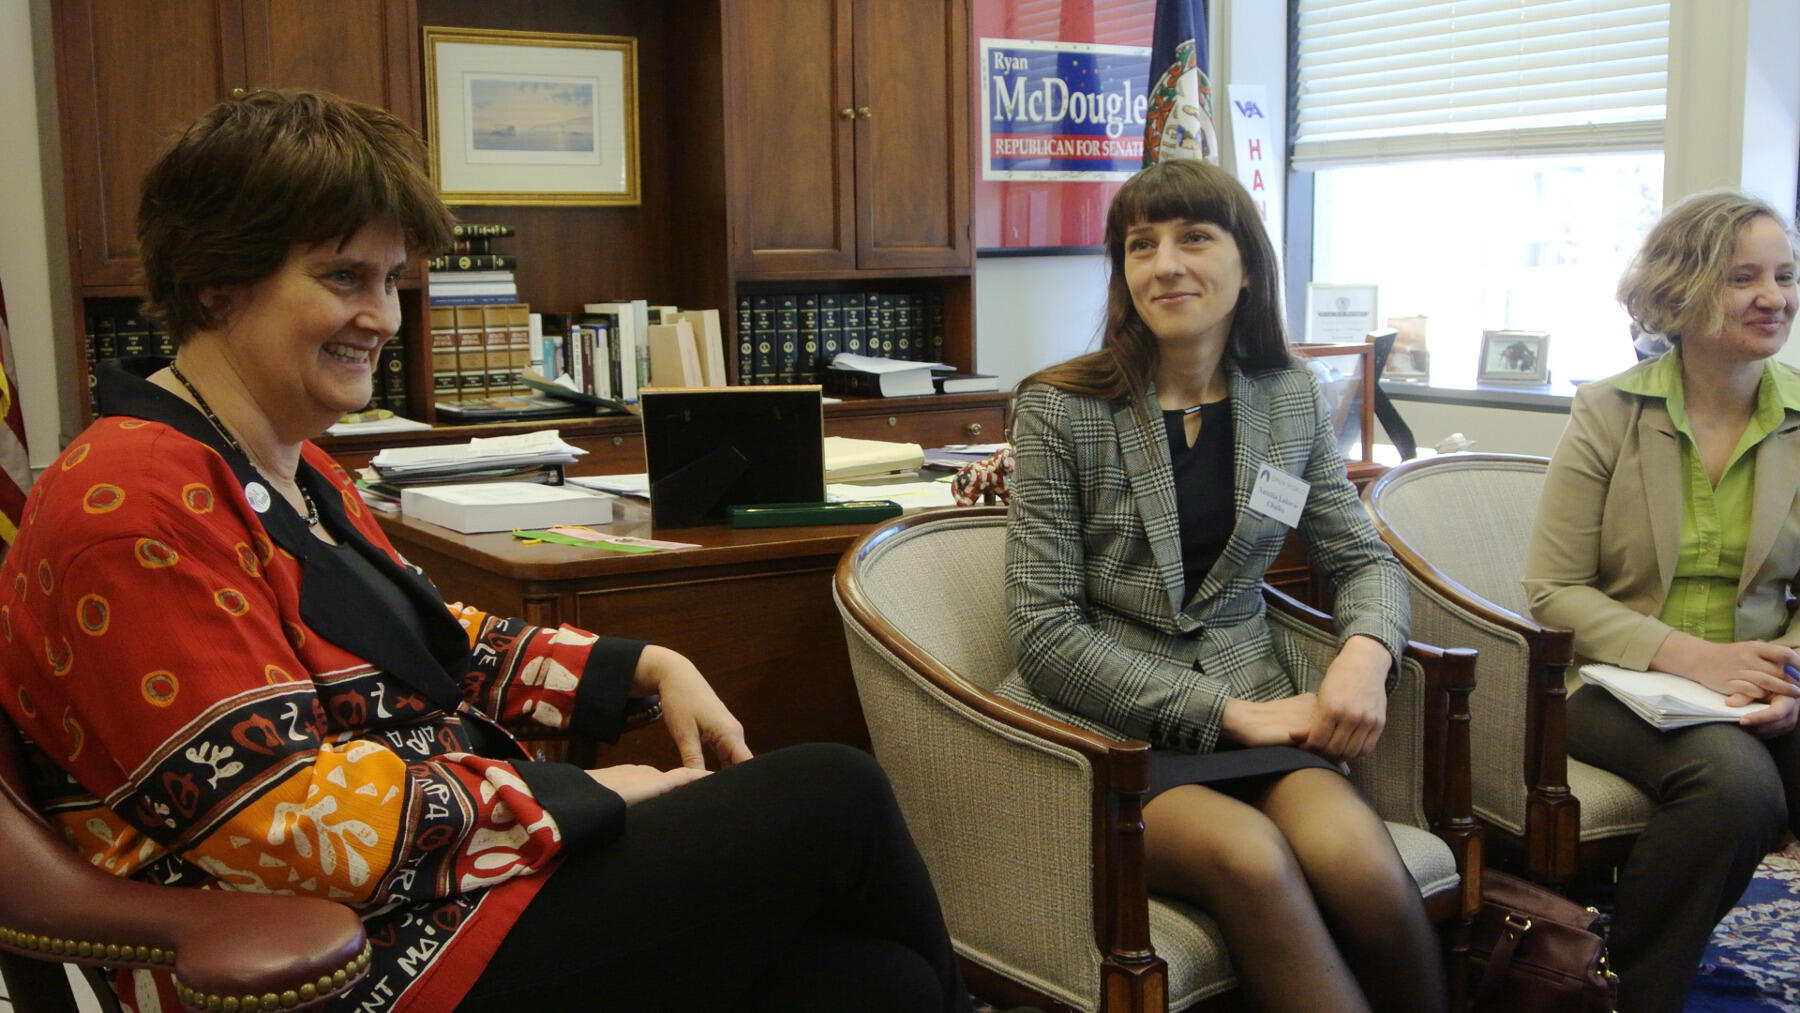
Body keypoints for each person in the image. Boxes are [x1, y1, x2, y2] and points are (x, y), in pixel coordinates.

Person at [0, 88, 972, 1013]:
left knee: (871, 979)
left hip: (440, 892)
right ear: (219, 278)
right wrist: (577, 793)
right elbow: (277, 823)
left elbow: (429, 637)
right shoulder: (130, 495)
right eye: (343, 277)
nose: (382, 316)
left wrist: (639, 663)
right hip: (340, 957)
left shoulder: (294, 468)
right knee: (834, 793)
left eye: (390, 279)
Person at [1000, 157, 1446, 1013]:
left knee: (1358, 858)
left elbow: (1361, 559)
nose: (1164, 263)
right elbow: (1046, 634)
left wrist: (1363, 652)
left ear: (1247, 265)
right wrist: (1229, 717)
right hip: (1108, 730)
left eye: (1194, 237)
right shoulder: (1061, 407)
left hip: (1258, 705)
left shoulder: (1288, 399)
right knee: (1251, 855)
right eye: (1141, 245)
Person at [1522, 189, 1800, 1012]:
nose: (1774, 297)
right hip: (1617, 684)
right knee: (1737, 789)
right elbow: (1553, 588)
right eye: (1744, 276)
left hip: (1765, 681)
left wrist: (1787, 673)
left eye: (1785, 276)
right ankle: (1626, 990)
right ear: (1681, 291)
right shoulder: (1608, 410)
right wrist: (1701, 662)